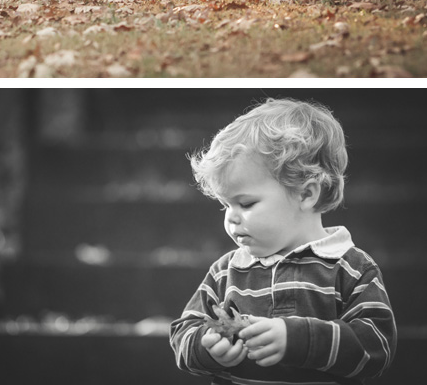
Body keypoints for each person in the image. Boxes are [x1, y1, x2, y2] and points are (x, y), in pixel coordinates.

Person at [169, 97, 397, 380]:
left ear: (305, 194)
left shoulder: (351, 267)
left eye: (247, 204)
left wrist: (299, 339)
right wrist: (208, 348)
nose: (231, 217)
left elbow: (377, 347)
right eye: (226, 205)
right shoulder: (226, 271)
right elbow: (184, 331)